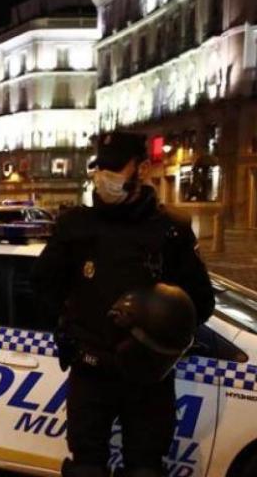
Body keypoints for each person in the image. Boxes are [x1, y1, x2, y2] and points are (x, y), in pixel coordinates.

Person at [33, 132, 215, 477]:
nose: (105, 176)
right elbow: (42, 285)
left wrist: (161, 329)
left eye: (116, 168)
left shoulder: (170, 230)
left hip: (149, 380)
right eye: (101, 167)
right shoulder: (76, 225)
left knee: (145, 469)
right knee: (86, 467)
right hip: (90, 371)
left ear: (143, 169)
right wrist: (69, 325)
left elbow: (201, 303)